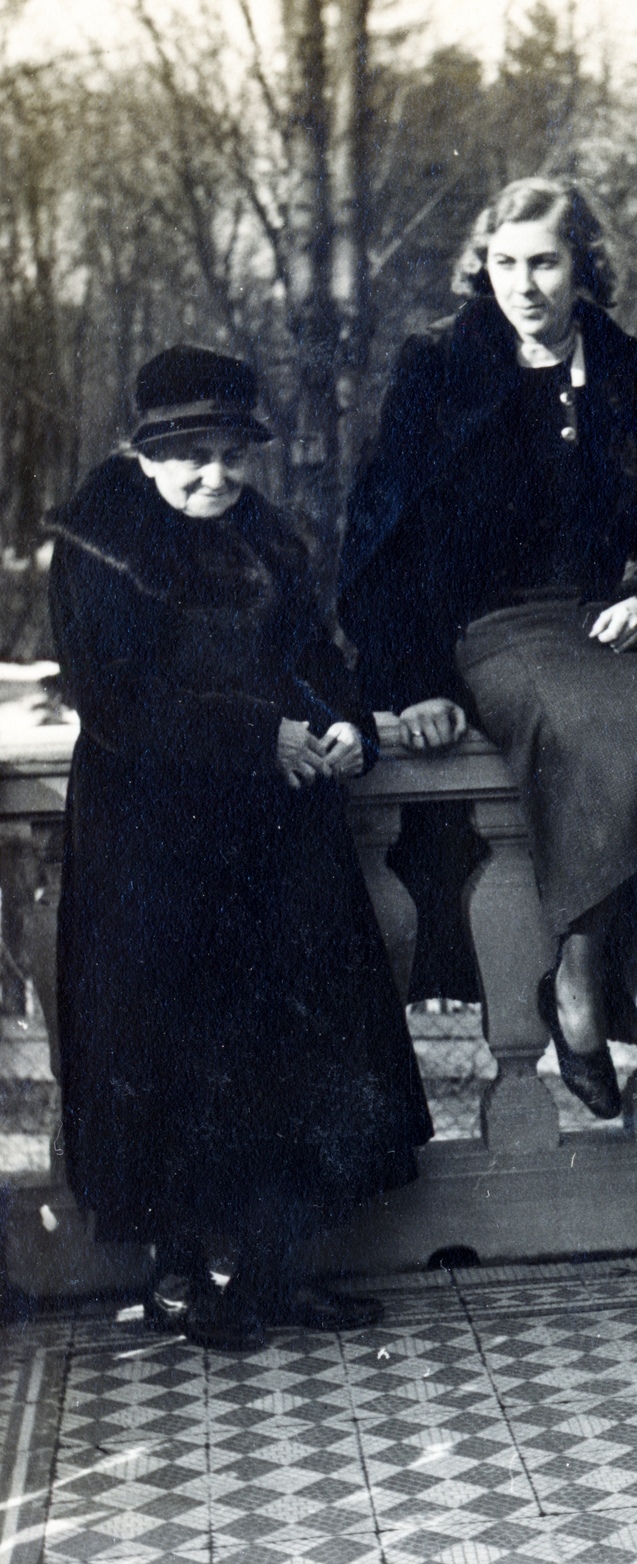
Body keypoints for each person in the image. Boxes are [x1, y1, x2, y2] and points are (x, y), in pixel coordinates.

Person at [48, 345, 433, 1350]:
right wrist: (260, 734)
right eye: (189, 458)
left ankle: (277, 1267)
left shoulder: (265, 534)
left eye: (229, 454)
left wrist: (347, 722)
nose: (213, 476)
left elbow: (314, 655)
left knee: (287, 1048)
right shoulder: (99, 541)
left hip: (272, 837)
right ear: (141, 455)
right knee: (165, 1048)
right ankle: (176, 1271)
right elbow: (115, 697)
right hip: (152, 838)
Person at [341, 177, 637, 1116]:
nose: (523, 284)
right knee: (590, 741)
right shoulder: (437, 366)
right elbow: (380, 537)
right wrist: (412, 681)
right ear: (482, 266)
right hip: (493, 629)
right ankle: (574, 981)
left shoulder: (626, 364)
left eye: (545, 262)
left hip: (606, 619)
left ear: (582, 267)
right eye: (505, 262)